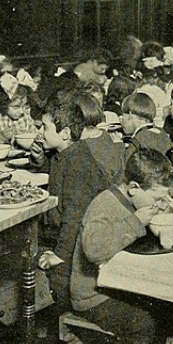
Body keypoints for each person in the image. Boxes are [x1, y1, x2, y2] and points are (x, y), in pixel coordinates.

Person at [70, 148, 173, 344]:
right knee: (144, 324)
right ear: (134, 187)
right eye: (157, 198)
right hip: (94, 297)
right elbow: (93, 250)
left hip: (120, 287)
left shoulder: (136, 200)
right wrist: (136, 222)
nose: (160, 203)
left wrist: (162, 210)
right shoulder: (104, 204)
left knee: (169, 309)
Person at [31, 99, 114, 310]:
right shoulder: (68, 153)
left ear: (65, 133)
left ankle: (67, 317)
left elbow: (74, 218)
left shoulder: (78, 165)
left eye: (44, 127)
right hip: (65, 234)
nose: (39, 133)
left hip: (79, 242)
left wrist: (59, 255)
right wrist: (40, 160)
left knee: (57, 280)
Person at [0, 74, 36, 145]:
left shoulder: (26, 118)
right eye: (16, 107)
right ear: (3, 105)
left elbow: (35, 136)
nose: (22, 111)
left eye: (24, 106)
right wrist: (1, 138)